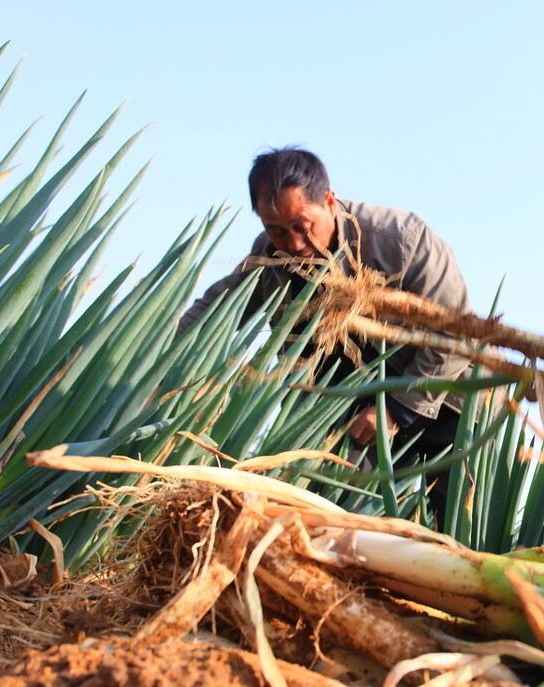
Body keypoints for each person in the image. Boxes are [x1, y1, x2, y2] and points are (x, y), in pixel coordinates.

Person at [180, 147, 474, 525]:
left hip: (447, 403)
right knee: (338, 523)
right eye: (276, 230)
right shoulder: (270, 258)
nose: (295, 243)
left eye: (303, 225)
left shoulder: (402, 240)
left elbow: (457, 335)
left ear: (329, 201)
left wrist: (397, 409)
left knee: (458, 524)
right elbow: (220, 307)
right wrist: (159, 358)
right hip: (351, 419)